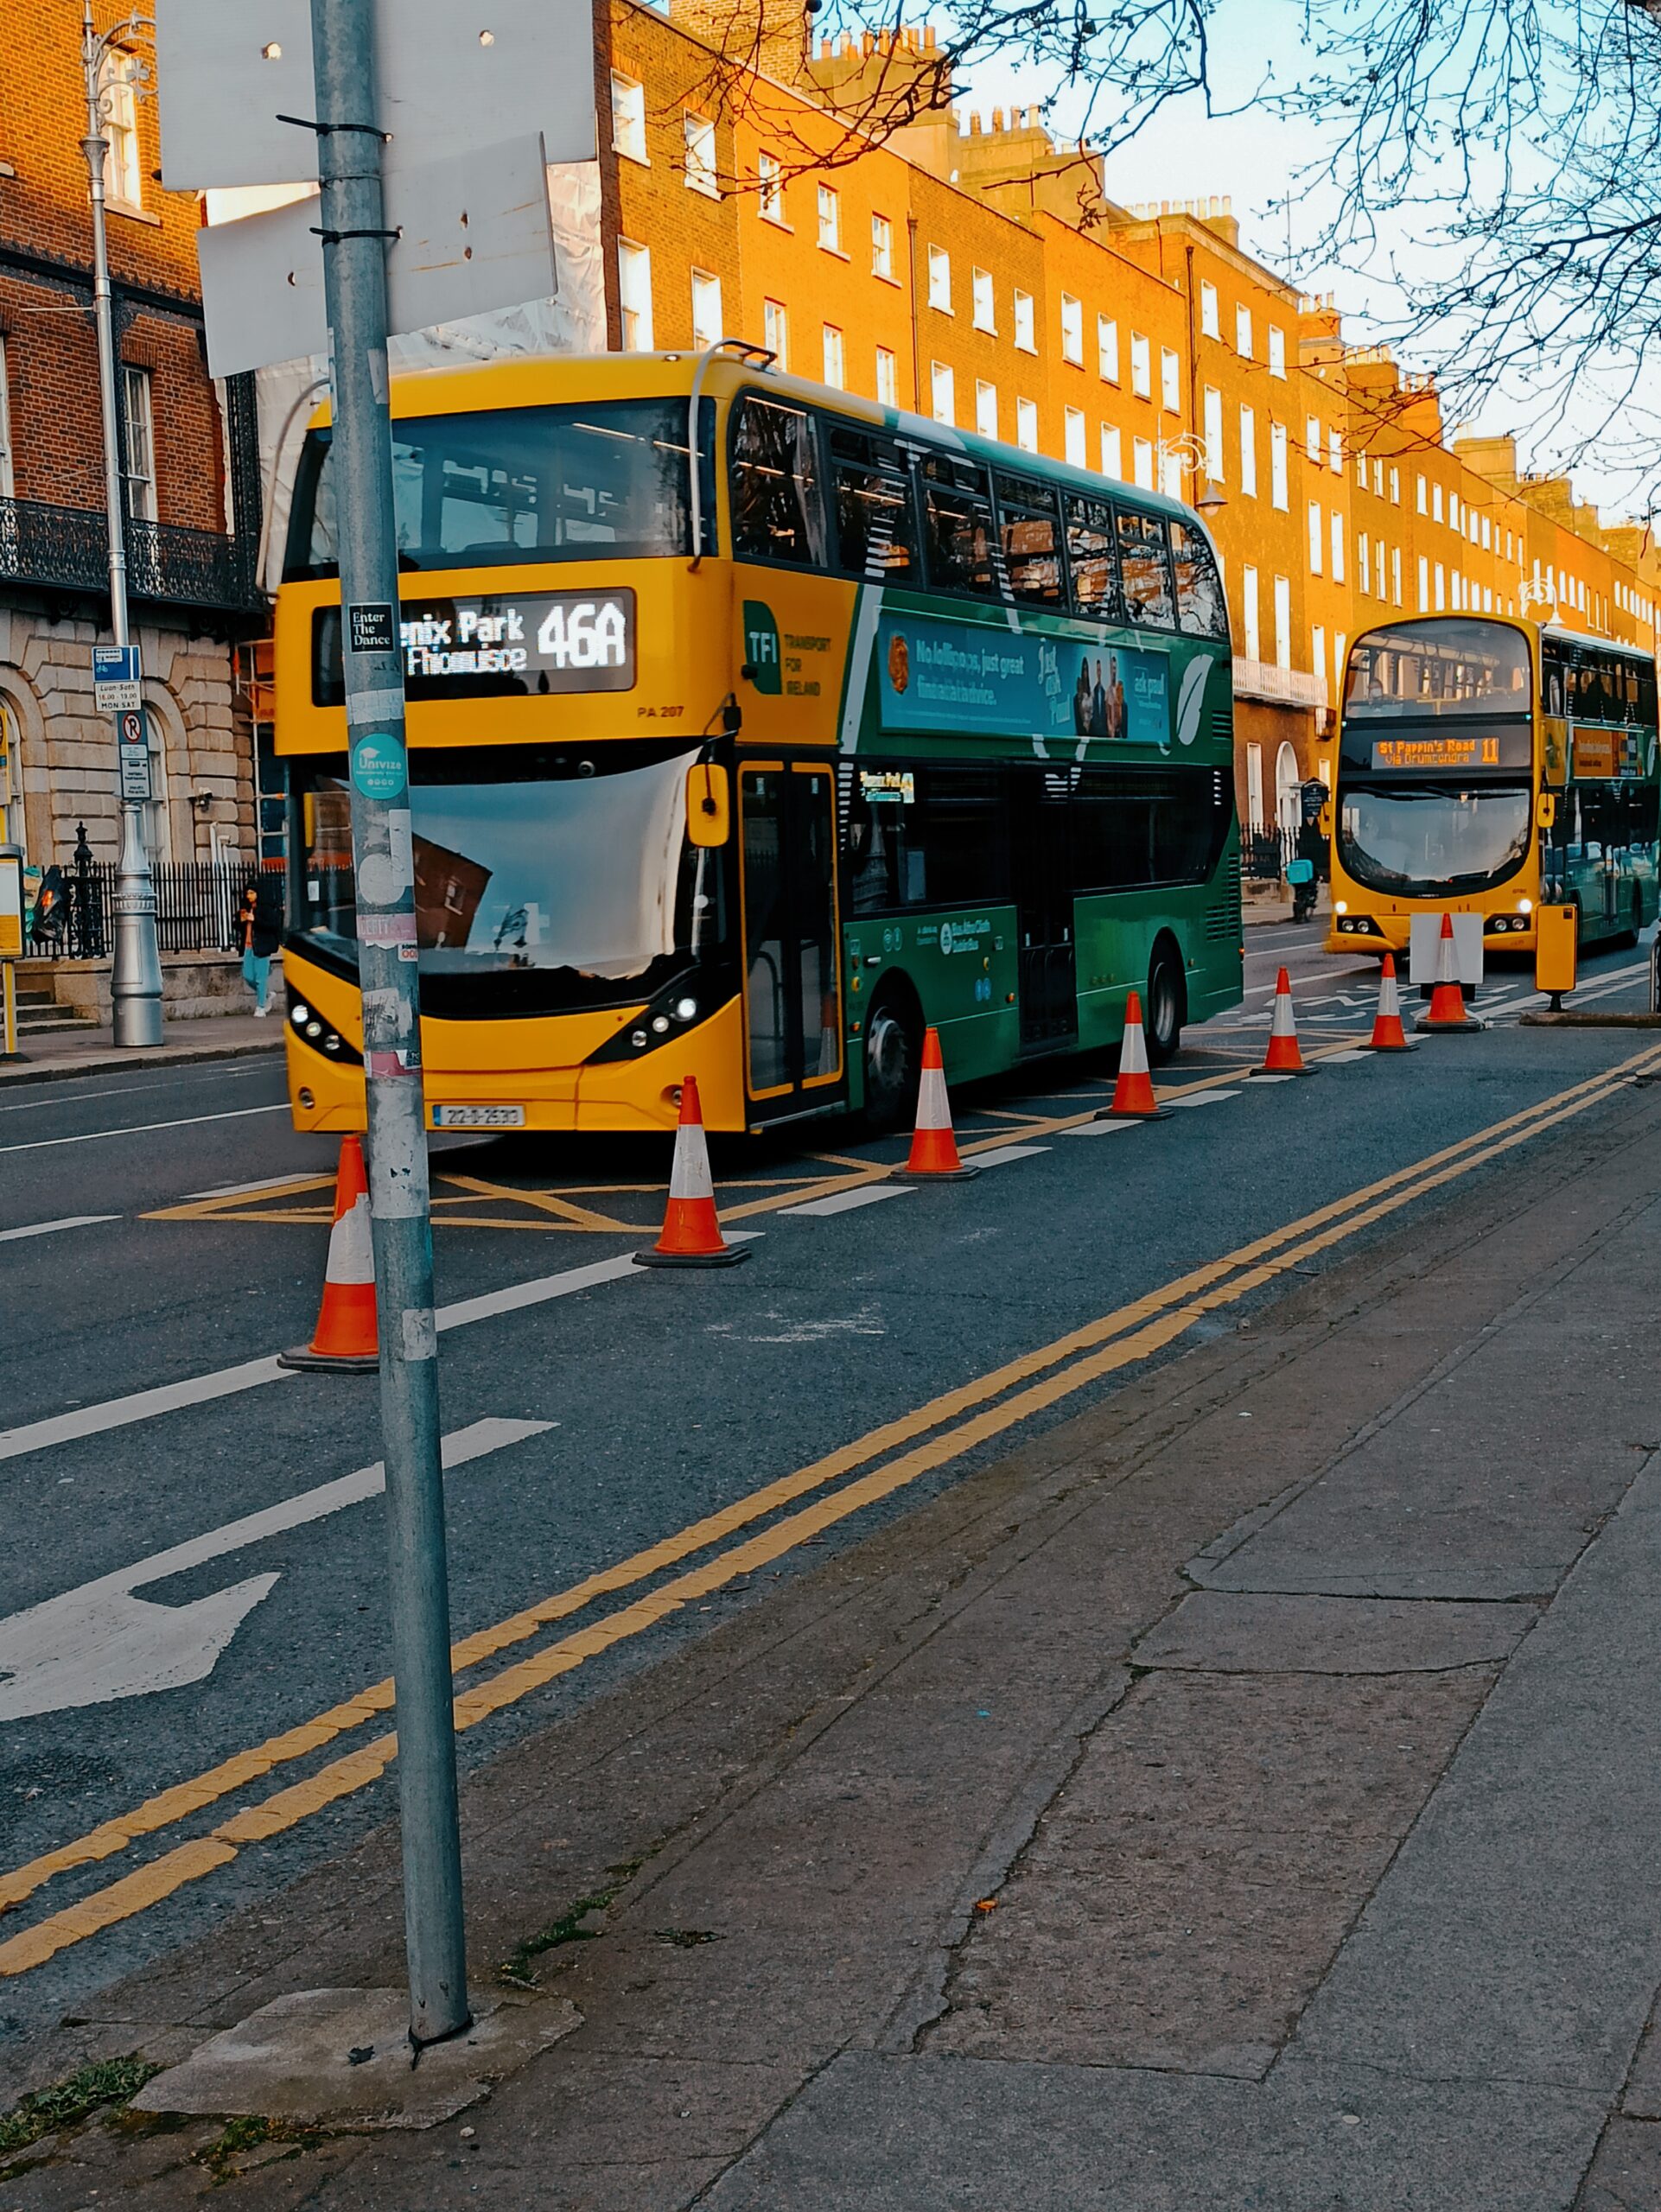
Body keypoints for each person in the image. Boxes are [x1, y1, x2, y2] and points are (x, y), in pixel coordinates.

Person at [239, 880, 281, 1015]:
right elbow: (239, 927)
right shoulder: (246, 907)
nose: (249, 895)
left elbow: (273, 926)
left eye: (252, 893)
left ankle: (261, 1006)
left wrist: (255, 920)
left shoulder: (266, 908)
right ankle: (267, 995)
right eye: (247, 893)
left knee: (260, 978)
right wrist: (240, 921)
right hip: (248, 946)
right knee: (248, 975)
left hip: (262, 946)